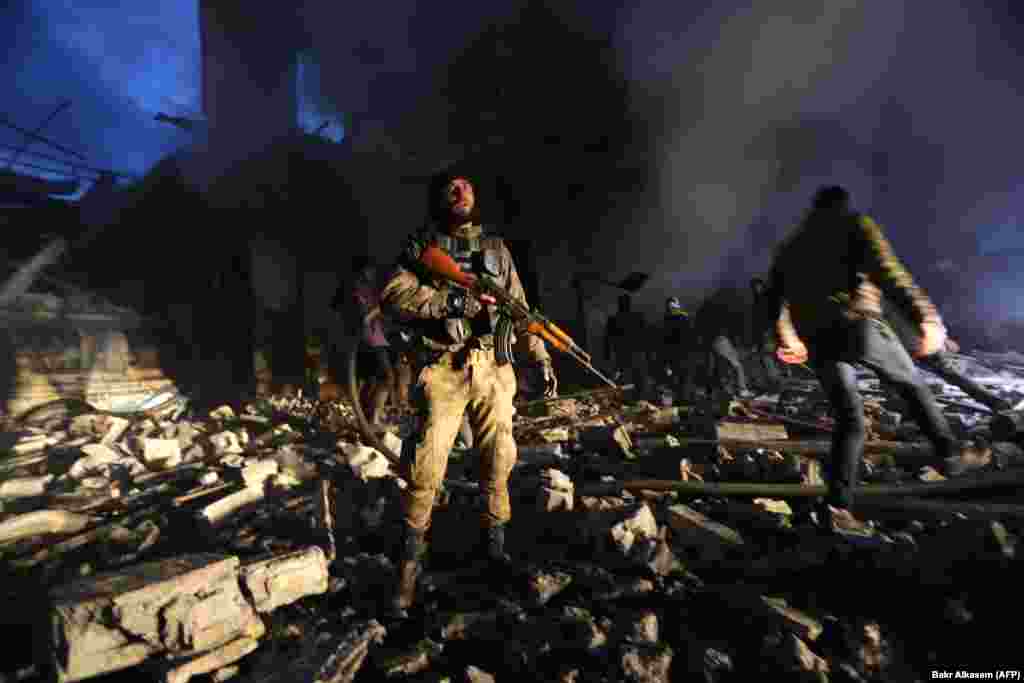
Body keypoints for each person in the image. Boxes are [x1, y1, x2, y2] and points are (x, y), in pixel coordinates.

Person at [380, 169, 557, 616]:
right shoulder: (424, 247)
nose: (460, 193)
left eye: (466, 187)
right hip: (443, 366)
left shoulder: (496, 250)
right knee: (426, 465)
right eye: (450, 189)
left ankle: (494, 547)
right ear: (439, 200)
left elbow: (519, 308)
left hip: (492, 367)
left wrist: (540, 352)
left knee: (499, 457)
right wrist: (454, 302)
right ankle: (409, 561)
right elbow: (394, 291)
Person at [765, 185, 968, 533]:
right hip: (857, 323)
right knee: (911, 385)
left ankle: (838, 506)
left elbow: (773, 300)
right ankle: (951, 455)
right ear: (841, 205)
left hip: (818, 337)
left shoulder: (791, 246)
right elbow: (888, 271)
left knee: (849, 419)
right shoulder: (854, 224)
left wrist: (788, 336)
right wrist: (926, 318)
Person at [883, 299, 1011, 413]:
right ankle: (996, 402)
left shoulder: (887, 301)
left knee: (893, 375)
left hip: (917, 347)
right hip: (915, 346)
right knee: (952, 376)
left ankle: (900, 408)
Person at [694, 286, 753, 400]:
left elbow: (700, 328)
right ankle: (742, 390)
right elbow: (728, 323)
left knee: (720, 368)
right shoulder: (717, 308)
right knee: (735, 365)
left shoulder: (704, 310)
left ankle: (723, 391)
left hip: (711, 342)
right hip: (719, 339)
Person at [604, 294, 650, 397]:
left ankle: (631, 400)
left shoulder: (613, 320)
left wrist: (606, 357)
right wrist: (648, 355)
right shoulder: (637, 317)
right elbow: (646, 337)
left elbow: (607, 340)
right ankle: (635, 400)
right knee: (635, 383)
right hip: (633, 355)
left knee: (628, 383)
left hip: (624, 356)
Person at [661, 296, 698, 399]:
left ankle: (681, 399)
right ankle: (682, 399)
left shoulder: (671, 318)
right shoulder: (682, 317)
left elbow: (666, 339)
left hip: (679, 354)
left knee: (678, 379)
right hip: (680, 354)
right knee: (681, 380)